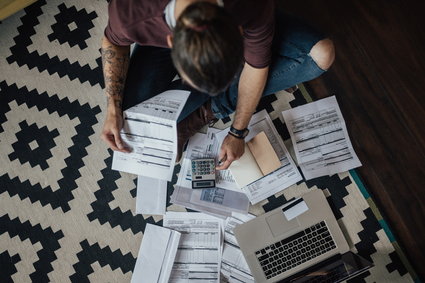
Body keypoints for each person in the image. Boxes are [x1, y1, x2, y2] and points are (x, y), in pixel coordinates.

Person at [100, 0, 335, 170]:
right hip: (160, 28)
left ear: (238, 32)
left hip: (247, 15)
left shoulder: (250, 6)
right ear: (171, 42)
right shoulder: (131, 12)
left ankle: (207, 110)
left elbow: (256, 68)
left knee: (321, 55)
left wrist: (237, 131)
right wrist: (113, 107)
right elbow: (112, 42)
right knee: (131, 119)